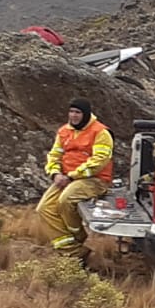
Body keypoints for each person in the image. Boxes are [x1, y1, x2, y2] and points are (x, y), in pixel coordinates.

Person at [37, 98, 113, 261]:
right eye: (71, 111)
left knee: (66, 200)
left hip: (94, 180)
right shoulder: (64, 131)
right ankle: (72, 250)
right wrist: (55, 173)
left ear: (85, 114)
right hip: (65, 178)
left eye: (77, 112)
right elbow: (54, 155)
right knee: (44, 208)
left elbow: (99, 161)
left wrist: (72, 175)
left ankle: (78, 236)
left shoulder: (100, 132)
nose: (73, 115)